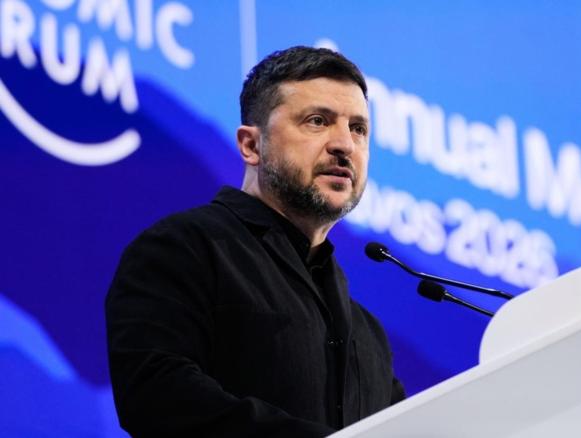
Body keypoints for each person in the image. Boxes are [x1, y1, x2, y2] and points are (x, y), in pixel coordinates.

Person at [105, 46, 405, 438]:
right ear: (251, 145)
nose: (345, 144)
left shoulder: (369, 337)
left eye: (358, 129)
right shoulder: (184, 249)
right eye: (318, 121)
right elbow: (157, 395)